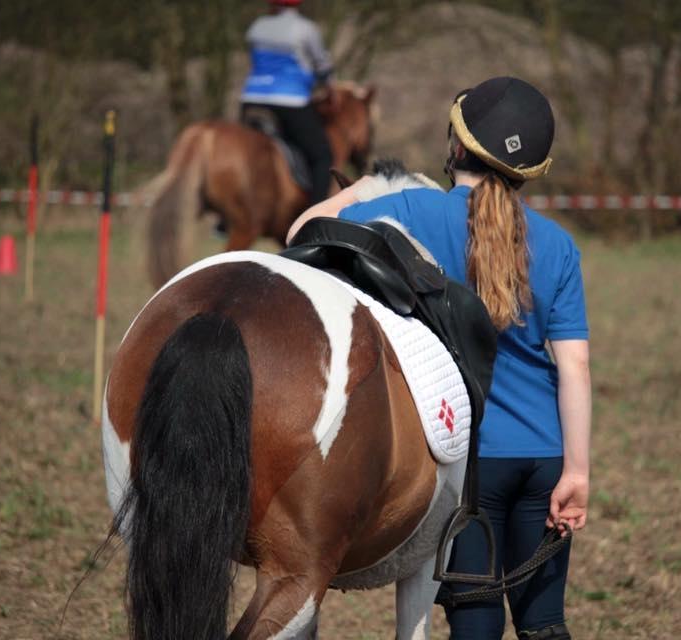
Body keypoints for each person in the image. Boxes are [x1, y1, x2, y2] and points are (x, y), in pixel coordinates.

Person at [287, 76, 591, 640]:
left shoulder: (412, 208)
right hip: (544, 457)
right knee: (546, 625)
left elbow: (302, 234)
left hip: (469, 466)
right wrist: (576, 471)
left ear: (456, 146)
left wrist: (361, 190)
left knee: (476, 625)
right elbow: (574, 367)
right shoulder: (558, 245)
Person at [240, 0, 335, 204]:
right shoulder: (305, 28)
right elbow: (322, 65)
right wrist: (327, 85)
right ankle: (314, 215)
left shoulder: (257, 26)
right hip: (290, 101)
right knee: (322, 156)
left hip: (251, 99)